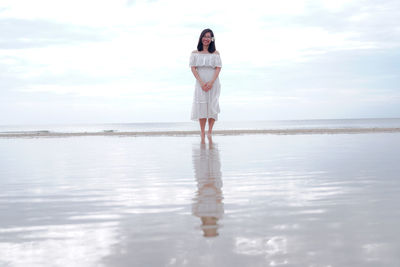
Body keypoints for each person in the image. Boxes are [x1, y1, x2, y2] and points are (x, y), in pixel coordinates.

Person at [189, 28, 222, 144]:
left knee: (212, 106)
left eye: (209, 37)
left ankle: (210, 132)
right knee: (202, 106)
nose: (206, 39)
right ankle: (202, 132)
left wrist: (212, 82)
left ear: (212, 39)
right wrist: (202, 83)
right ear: (201, 38)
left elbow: (218, 68)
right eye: (204, 36)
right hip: (200, 83)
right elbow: (193, 68)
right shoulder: (195, 53)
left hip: (213, 83)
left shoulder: (216, 53)